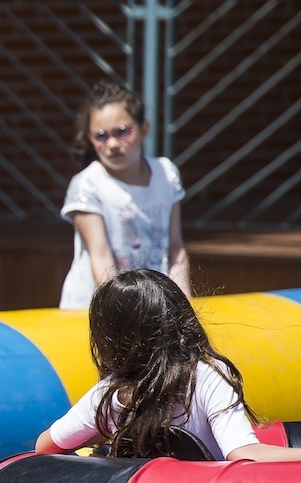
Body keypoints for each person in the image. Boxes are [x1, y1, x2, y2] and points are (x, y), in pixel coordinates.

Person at [35, 269, 301, 462]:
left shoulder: (108, 395)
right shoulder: (206, 377)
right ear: (181, 320)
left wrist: (100, 432)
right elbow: (244, 454)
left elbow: (45, 446)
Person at [58, 82, 191, 310]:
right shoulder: (88, 184)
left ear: (144, 129)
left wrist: (185, 304)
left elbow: (176, 248)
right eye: (101, 136)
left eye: (122, 132)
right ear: (90, 139)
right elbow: (100, 257)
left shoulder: (166, 174)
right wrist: (124, 315)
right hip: (97, 309)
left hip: (155, 306)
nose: (112, 144)